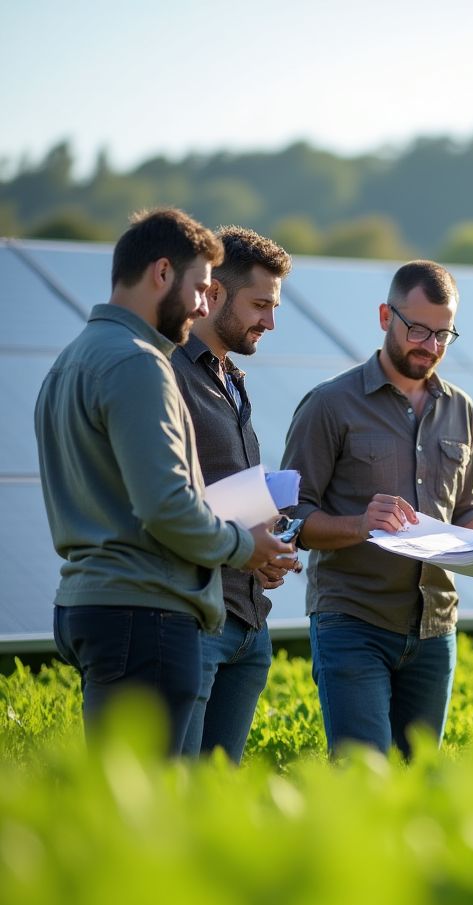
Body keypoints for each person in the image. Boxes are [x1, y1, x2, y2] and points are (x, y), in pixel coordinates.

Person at [34, 208, 293, 754]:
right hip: (145, 610)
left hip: (101, 604)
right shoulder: (140, 364)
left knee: (129, 800)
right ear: (161, 274)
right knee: (154, 815)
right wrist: (245, 548)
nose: (204, 302)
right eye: (200, 288)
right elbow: (168, 506)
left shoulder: (73, 360)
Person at [281, 260, 473, 758]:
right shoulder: (329, 404)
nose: (430, 345)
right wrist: (360, 524)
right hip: (352, 621)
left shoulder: (461, 408)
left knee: (418, 785)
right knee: (362, 779)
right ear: (384, 316)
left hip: (436, 625)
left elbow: (469, 505)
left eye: (443, 334)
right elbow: (288, 518)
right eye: (418, 329)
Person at [171, 226, 299, 762]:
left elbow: (228, 492)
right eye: (260, 304)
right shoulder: (167, 374)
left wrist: (266, 547)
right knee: (172, 796)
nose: (270, 321)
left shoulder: (230, 377)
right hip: (196, 619)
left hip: (249, 621)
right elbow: (168, 500)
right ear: (215, 294)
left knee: (217, 799)